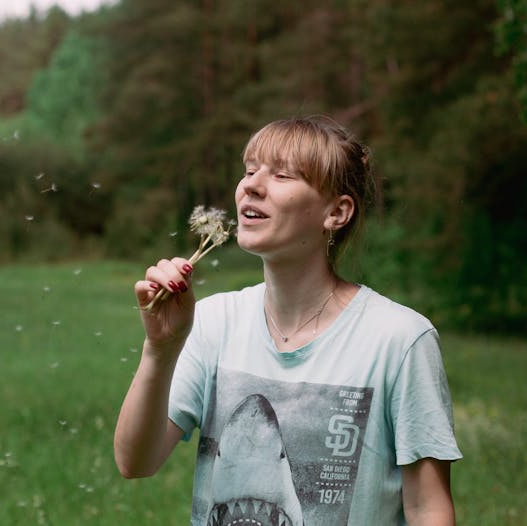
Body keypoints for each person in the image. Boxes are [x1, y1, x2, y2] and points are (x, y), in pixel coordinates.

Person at [114, 115, 462, 525]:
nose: (251, 185)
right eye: (249, 171)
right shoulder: (211, 322)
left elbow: (427, 508)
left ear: (337, 212)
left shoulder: (399, 340)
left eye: (282, 175)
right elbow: (135, 461)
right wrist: (160, 350)